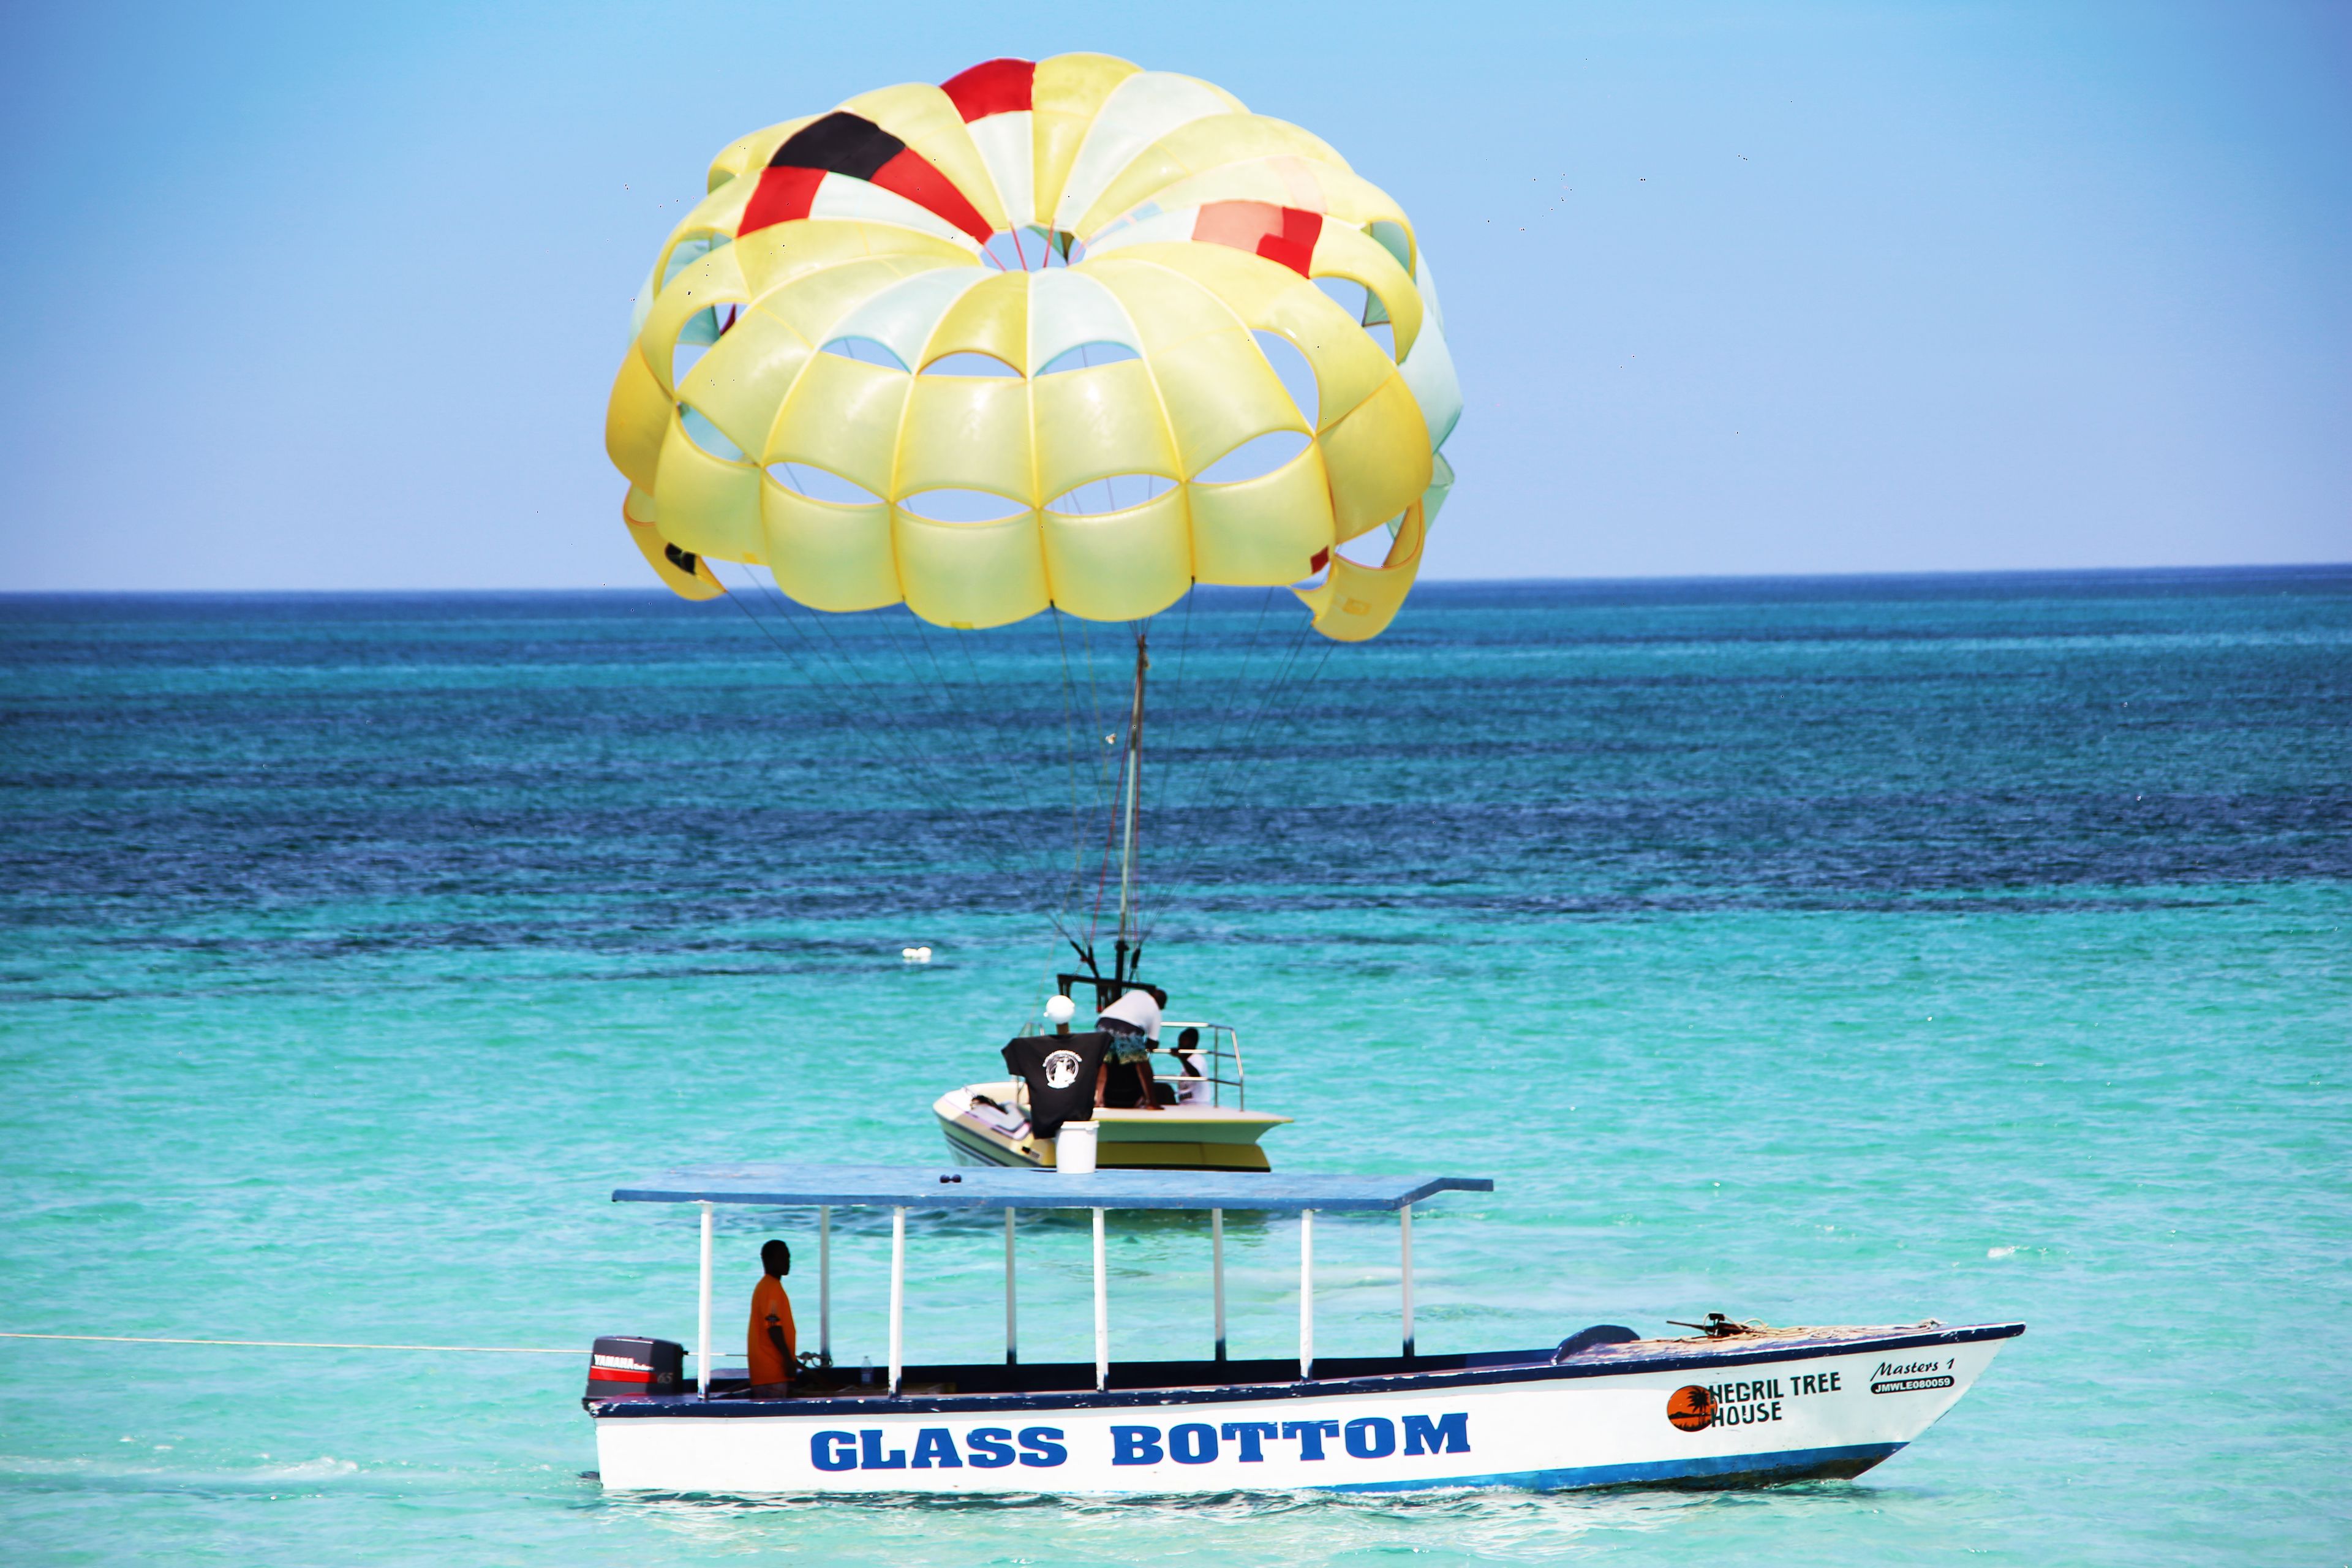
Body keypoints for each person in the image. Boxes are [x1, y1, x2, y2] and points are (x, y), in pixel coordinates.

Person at [1094, 984, 1166, 1112]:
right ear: (1161, 1005)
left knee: (1103, 1062)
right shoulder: (1156, 1010)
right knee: (1143, 1066)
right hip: (1128, 1028)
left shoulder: (1135, 993)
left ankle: (1098, 1100)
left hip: (1103, 1021)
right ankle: (1152, 1102)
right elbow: (1152, 1043)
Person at [747, 1238, 797, 1396]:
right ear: (768, 1260)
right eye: (782, 1257)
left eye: (788, 1257)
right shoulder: (772, 1288)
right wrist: (788, 1360)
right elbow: (774, 1327)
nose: (787, 1262)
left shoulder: (765, 1286)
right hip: (773, 1372)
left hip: (766, 1373)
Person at [1170, 1026, 1212, 1106]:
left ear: (1193, 1043)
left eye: (1184, 1041)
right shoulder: (1188, 1061)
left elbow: (1196, 1074)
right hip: (1185, 1103)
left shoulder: (1197, 1058)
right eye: (1179, 1041)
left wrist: (1181, 1057)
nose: (1180, 1044)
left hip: (1197, 1103)